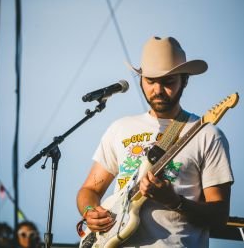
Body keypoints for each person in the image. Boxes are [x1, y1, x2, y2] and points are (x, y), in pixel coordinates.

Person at [76, 36, 234, 247]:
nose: (157, 90)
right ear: (141, 80)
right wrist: (89, 211)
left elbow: (219, 216)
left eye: (168, 82)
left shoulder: (207, 135)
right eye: (150, 81)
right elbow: (89, 191)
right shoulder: (120, 128)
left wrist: (174, 201)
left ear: (185, 80)